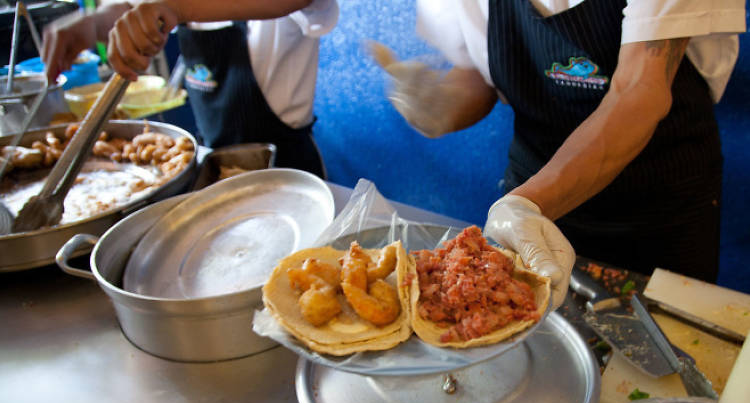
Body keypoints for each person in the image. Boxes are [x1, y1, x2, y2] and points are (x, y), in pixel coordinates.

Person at [375, 0, 746, 309]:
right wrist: (439, 103)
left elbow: (639, 89)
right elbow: (479, 74)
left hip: (659, 209)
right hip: (530, 192)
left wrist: (527, 205)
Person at [41, 0, 339, 179]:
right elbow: (133, 6)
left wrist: (173, 7)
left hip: (288, 169)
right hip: (214, 165)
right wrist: (91, 24)